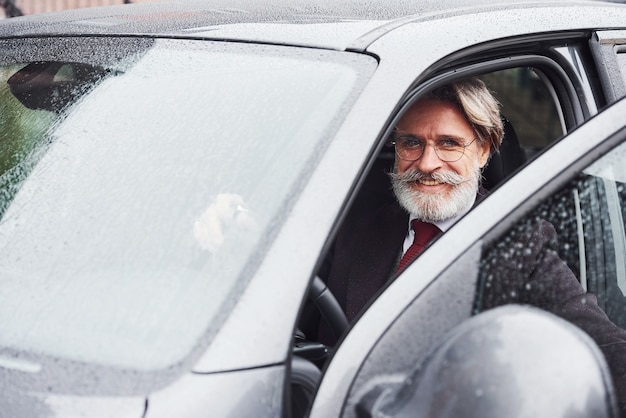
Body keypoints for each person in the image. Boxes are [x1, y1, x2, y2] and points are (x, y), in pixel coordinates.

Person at [309, 77, 626, 415]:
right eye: (411, 143)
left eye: (448, 143)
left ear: (484, 149)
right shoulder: (357, 226)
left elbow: (604, 348)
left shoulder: (520, 245)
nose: (427, 164)